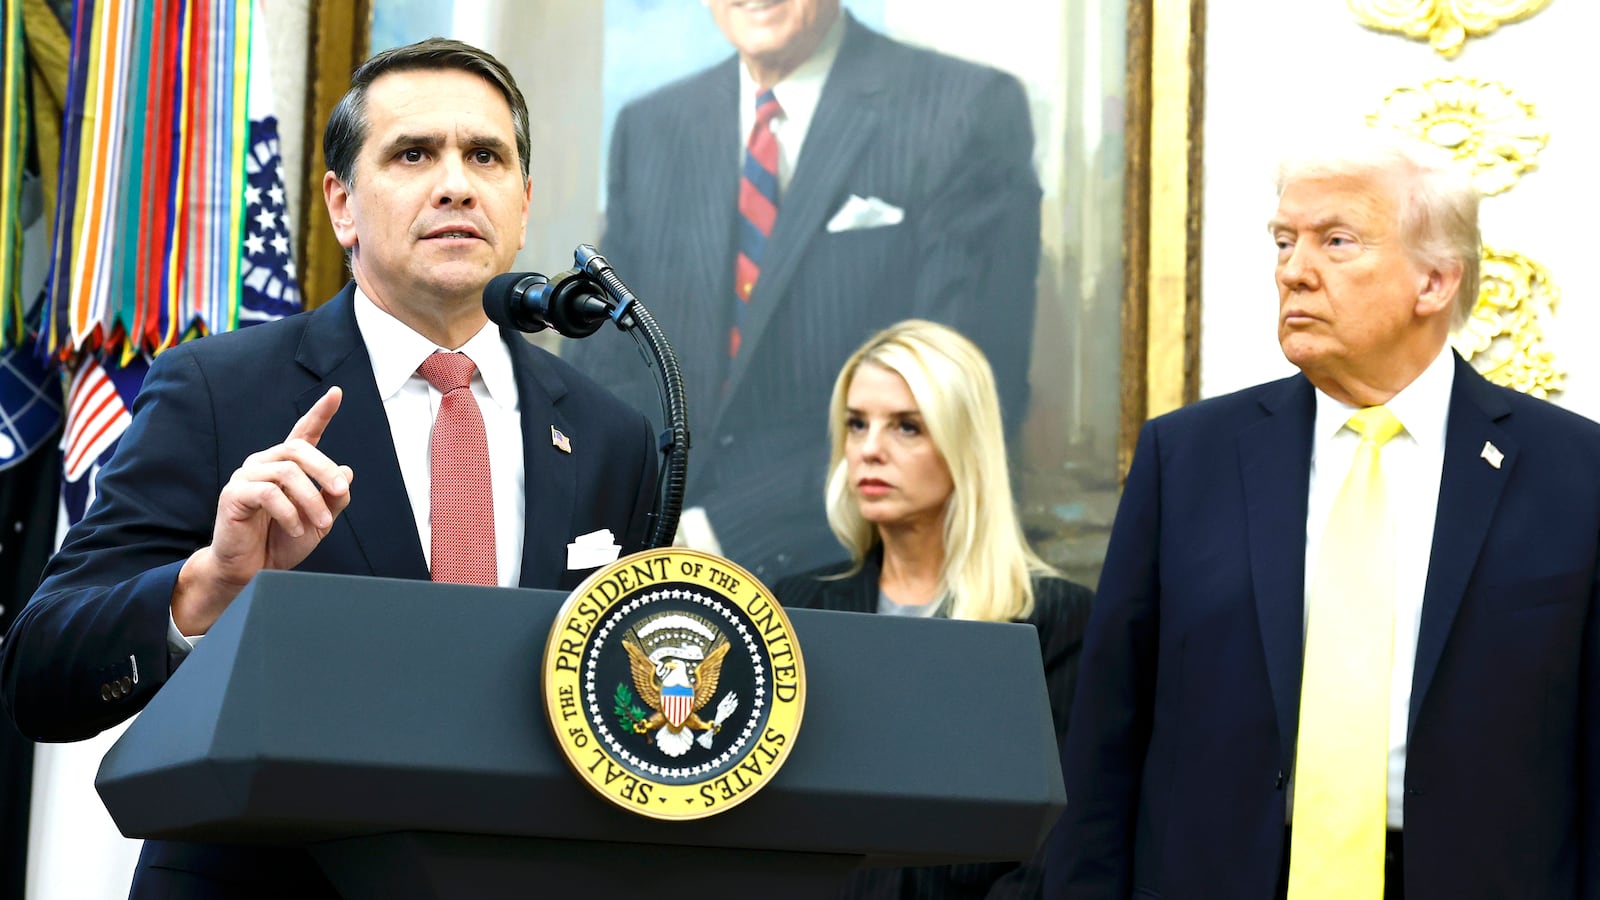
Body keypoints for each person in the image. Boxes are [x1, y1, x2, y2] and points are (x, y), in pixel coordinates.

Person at [0, 38, 658, 899]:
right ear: (341, 205)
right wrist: (207, 587)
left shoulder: (612, 434)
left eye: (485, 156)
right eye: (414, 154)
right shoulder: (218, 390)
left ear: (523, 203)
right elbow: (41, 671)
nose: (456, 183)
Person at [1049, 130, 1600, 899]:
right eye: (1283, 241)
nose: (1293, 272)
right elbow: (1105, 737)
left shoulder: (1577, 475)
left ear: (1436, 281)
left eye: (1335, 241)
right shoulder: (1189, 459)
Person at [568, 0, 1042, 584]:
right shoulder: (651, 127)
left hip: (852, 576)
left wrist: (716, 533)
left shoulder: (965, 110)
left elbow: (962, 394)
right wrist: (646, 523)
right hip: (649, 562)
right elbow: (604, 356)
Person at [776, 319, 1090, 898]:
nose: (869, 449)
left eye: (907, 427)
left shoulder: (1054, 621)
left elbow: (1057, 843)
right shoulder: (795, 610)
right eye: (856, 424)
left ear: (962, 443)